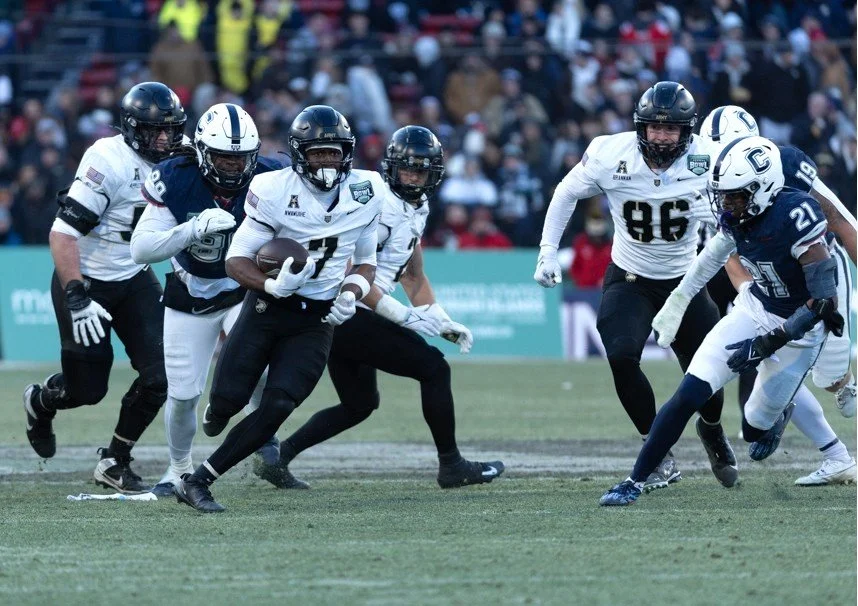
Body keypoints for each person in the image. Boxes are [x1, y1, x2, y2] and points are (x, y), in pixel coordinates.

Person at [600, 137, 846, 506]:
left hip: (801, 330)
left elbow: (823, 302)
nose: (725, 204)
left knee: (753, 430)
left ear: (762, 189)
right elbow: (711, 257)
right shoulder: (739, 215)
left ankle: (774, 416)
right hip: (755, 308)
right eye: (722, 194)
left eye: (734, 195)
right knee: (691, 391)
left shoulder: (798, 216)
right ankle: (635, 480)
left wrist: (768, 344)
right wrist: (677, 302)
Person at [258, 126, 504, 490]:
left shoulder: (416, 206)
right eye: (407, 169)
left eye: (421, 170)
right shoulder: (377, 201)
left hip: (349, 316)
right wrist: (398, 313)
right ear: (391, 167)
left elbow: (413, 274)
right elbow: (348, 270)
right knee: (434, 369)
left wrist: (439, 318)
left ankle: (281, 458)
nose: (413, 177)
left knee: (359, 404)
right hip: (348, 308)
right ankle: (451, 465)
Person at [173, 105, 383, 512]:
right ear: (299, 153)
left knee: (278, 406)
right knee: (228, 402)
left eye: (333, 151)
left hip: (316, 319)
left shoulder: (367, 190)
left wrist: (350, 294)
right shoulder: (272, 188)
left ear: (347, 153)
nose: (326, 160)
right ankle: (219, 410)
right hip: (268, 309)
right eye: (318, 152)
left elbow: (366, 260)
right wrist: (272, 283)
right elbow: (236, 260)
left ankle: (198, 481)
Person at [534, 81, 736, 491]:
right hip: (630, 277)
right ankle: (657, 452)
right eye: (654, 128)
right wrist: (547, 251)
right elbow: (566, 192)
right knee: (622, 355)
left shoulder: (710, 160)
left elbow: (738, 218)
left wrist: (719, 217)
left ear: (687, 131)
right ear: (639, 126)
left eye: (671, 130)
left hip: (687, 280)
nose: (661, 137)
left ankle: (712, 430)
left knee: (707, 374)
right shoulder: (611, 152)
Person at [22, 82, 186, 493]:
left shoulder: (182, 162)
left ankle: (114, 460)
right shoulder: (108, 159)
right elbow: (62, 234)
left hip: (133, 277)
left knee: (163, 376)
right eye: (154, 130)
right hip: (87, 280)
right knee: (87, 391)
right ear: (131, 129)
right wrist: (77, 296)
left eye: (171, 129)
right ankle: (41, 401)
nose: (164, 138)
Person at [129, 103, 293, 497]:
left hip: (243, 289)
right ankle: (177, 469)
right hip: (191, 292)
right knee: (184, 395)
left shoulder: (271, 177)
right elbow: (141, 249)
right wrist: (191, 228)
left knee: (261, 370)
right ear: (202, 151)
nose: (235, 167)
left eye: (241, 158)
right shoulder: (174, 177)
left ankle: (263, 439)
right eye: (224, 157)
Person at [692, 105, 857, 485]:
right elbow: (727, 254)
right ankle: (836, 457)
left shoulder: (785, 162)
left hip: (817, 276)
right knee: (775, 366)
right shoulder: (708, 182)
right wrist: (751, 293)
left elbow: (838, 219)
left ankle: (843, 382)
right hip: (766, 284)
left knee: (829, 381)